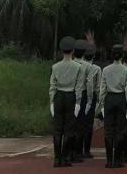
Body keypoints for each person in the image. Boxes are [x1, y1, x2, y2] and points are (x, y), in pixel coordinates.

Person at [49, 36, 84, 168]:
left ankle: (57, 158)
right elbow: (79, 87)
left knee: (57, 129)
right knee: (69, 129)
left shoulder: (55, 67)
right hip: (71, 96)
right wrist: (78, 103)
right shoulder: (78, 67)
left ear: (61, 50)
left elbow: (52, 86)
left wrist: (51, 102)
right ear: (73, 51)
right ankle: (64, 157)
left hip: (58, 96)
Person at [98, 44, 127, 169]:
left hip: (109, 98)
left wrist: (102, 103)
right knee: (120, 130)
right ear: (122, 55)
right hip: (121, 98)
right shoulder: (126, 70)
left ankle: (109, 160)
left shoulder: (106, 70)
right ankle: (117, 160)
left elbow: (102, 88)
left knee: (108, 130)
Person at [81, 44, 101, 159]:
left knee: (78, 122)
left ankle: (76, 149)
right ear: (93, 57)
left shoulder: (79, 65)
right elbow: (98, 87)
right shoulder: (96, 69)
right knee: (88, 124)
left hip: (78, 94)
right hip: (91, 96)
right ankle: (86, 150)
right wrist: (98, 99)